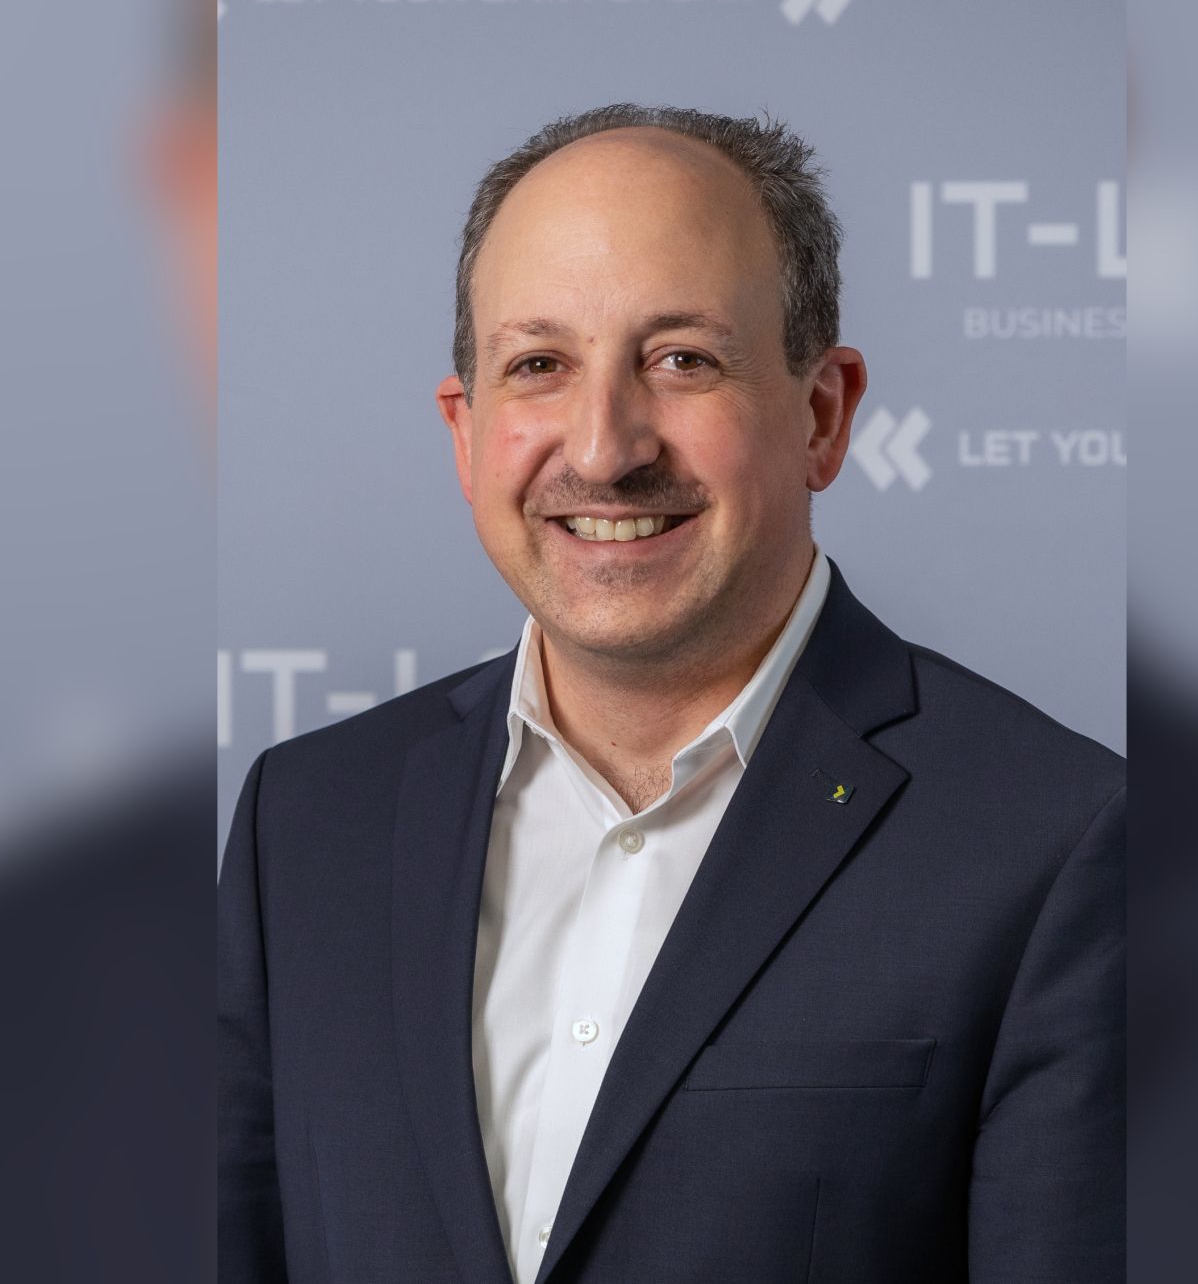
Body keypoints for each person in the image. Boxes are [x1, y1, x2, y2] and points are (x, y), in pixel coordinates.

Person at [217, 104, 1126, 1284]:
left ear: (822, 413)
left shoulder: (1053, 841)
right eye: (538, 366)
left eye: (681, 360)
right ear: (465, 430)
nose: (604, 448)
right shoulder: (305, 822)